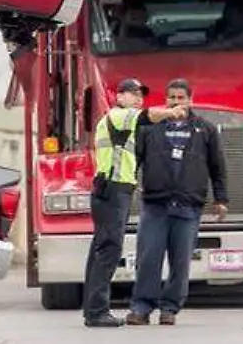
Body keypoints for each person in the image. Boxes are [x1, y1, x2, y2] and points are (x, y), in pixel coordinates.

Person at [83, 78, 185, 328]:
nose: (138, 98)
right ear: (119, 97)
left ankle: (93, 309)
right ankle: (97, 312)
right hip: (112, 190)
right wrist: (171, 112)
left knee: (101, 250)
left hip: (113, 189)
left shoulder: (123, 121)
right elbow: (148, 116)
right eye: (132, 93)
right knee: (108, 250)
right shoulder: (120, 115)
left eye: (140, 94)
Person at [127, 78, 228, 326]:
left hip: (188, 206)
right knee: (148, 258)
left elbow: (218, 167)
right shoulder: (149, 129)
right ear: (166, 99)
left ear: (190, 100)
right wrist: (129, 185)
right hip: (154, 205)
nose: (176, 101)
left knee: (180, 261)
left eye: (180, 97)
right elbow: (134, 159)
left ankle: (170, 308)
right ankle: (141, 308)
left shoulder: (205, 129)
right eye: (171, 97)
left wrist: (221, 199)